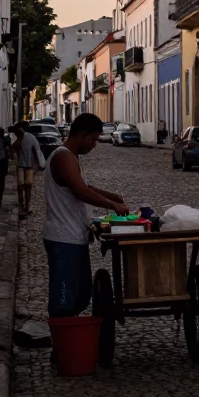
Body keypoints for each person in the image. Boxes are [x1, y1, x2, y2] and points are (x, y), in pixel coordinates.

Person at [43, 111, 129, 318]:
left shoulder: (71, 157)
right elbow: (80, 191)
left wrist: (114, 196)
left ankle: (72, 338)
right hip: (63, 239)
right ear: (81, 134)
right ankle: (63, 346)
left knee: (81, 296)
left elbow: (84, 186)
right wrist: (112, 206)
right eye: (92, 139)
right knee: (64, 300)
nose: (94, 144)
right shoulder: (63, 156)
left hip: (75, 238)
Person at [12, 125, 45, 215]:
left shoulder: (30, 138)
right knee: (20, 185)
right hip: (20, 165)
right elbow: (13, 149)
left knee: (28, 186)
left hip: (29, 166)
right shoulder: (17, 140)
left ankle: (27, 205)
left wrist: (37, 164)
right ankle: (21, 202)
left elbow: (36, 151)